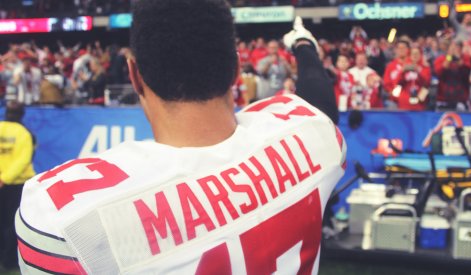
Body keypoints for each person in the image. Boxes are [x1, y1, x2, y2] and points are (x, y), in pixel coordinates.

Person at [16, 1, 345, 274]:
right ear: (236, 68)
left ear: (134, 75)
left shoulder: (62, 215)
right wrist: (304, 46)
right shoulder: (312, 133)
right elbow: (318, 99)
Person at [0, 101, 35, 271]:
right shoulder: (24, 133)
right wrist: (5, 178)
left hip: (4, 181)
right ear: (22, 114)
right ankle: (10, 261)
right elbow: (23, 160)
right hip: (16, 183)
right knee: (12, 224)